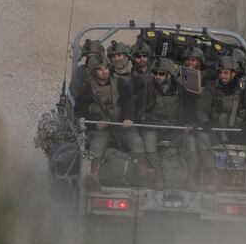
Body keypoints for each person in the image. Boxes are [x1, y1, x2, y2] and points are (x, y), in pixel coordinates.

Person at [197, 55, 246, 190]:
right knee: (200, 135)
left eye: (226, 73)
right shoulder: (211, 88)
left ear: (234, 73)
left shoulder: (245, 90)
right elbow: (201, 109)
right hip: (216, 132)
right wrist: (204, 122)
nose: (222, 76)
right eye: (220, 73)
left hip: (240, 133)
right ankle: (213, 175)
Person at [73, 53, 132, 190]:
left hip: (120, 127)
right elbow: (79, 112)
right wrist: (95, 123)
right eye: (100, 69)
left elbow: (129, 101)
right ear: (94, 72)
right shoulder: (87, 89)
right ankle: (94, 174)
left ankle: (142, 169)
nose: (104, 72)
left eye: (106, 68)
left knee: (136, 140)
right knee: (98, 142)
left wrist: (128, 118)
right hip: (99, 130)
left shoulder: (119, 83)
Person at [124, 57, 183, 190]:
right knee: (149, 144)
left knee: (189, 144)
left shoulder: (179, 90)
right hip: (152, 127)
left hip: (174, 128)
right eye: (155, 73)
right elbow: (136, 108)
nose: (157, 76)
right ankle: (158, 176)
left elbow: (185, 109)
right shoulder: (148, 89)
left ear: (168, 74)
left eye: (161, 74)